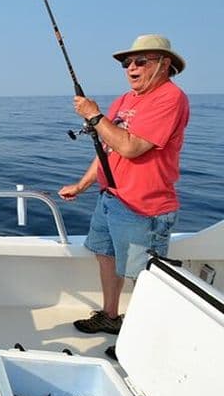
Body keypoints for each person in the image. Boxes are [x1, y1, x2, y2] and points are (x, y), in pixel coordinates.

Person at [59, 34, 189, 355]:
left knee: (143, 276)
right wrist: (82, 185)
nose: (131, 67)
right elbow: (109, 146)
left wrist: (94, 115)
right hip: (112, 199)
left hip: (143, 207)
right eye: (127, 62)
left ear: (164, 64)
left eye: (140, 61)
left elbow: (131, 147)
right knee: (106, 256)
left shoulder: (170, 99)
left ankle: (145, 344)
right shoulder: (126, 100)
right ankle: (110, 315)